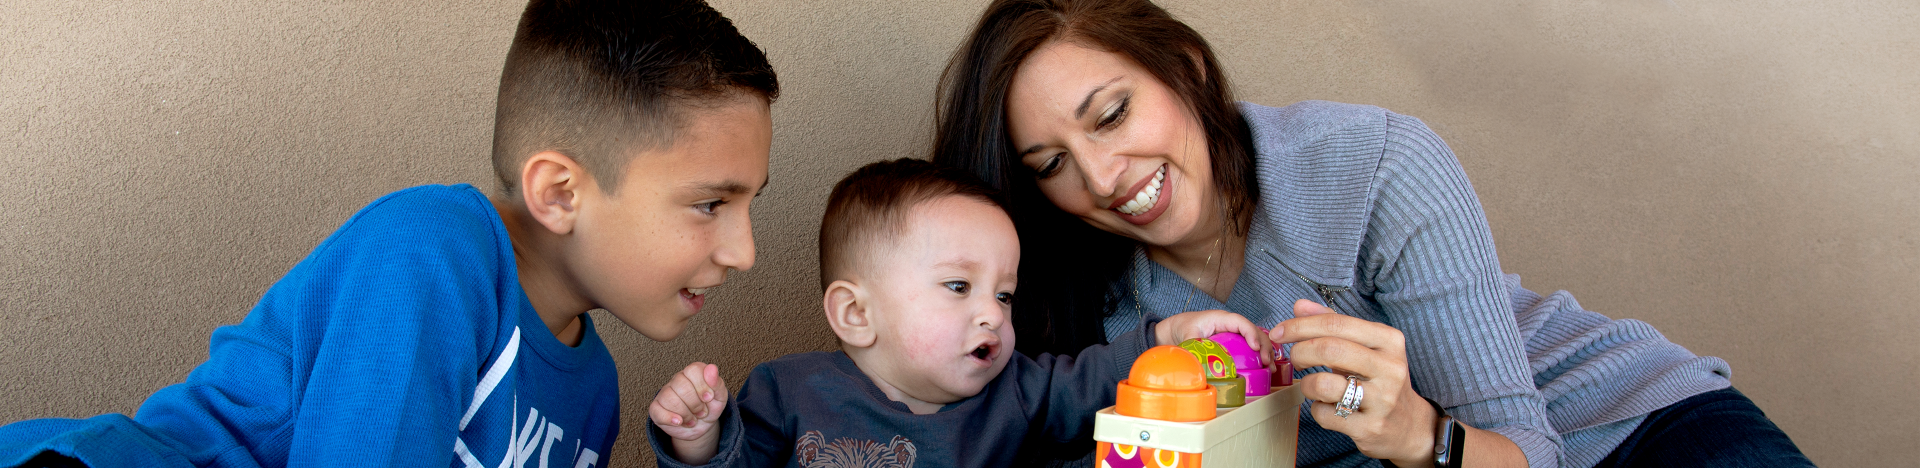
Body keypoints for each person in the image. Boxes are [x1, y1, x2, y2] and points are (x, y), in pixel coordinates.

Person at [929, 0, 1814, 467]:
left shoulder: (1367, 164)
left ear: (1186, 69)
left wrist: (1421, 434)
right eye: (1049, 164)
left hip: (1618, 428)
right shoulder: (1096, 310)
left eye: (1113, 114)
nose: (1103, 176)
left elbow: (1525, 448)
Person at [0, 1, 778, 466]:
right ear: (560, 191)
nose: (744, 251)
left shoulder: (594, 395)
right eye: (712, 203)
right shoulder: (433, 251)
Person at [644, 158, 1272, 467]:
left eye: (1003, 295)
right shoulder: (790, 390)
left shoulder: (1017, 391)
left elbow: (1093, 380)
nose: (992, 316)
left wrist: (1166, 335)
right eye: (957, 287)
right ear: (856, 314)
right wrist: (699, 440)